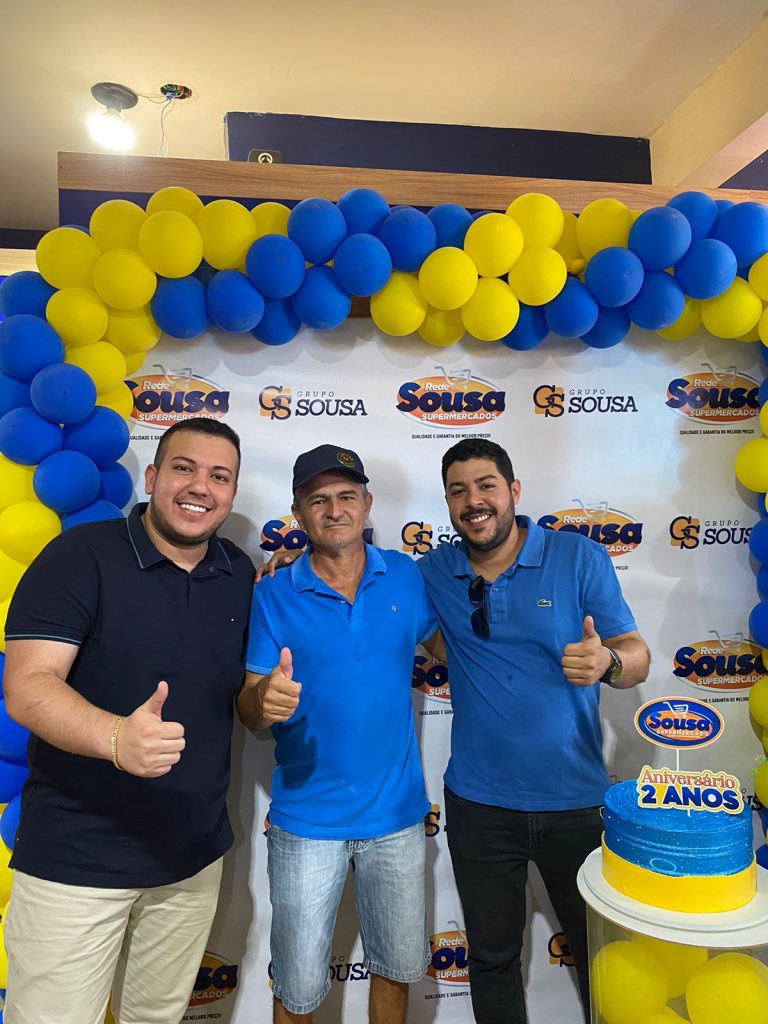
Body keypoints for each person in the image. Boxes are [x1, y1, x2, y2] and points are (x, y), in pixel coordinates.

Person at [2, 417, 254, 1024]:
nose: (200, 487)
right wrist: (116, 737)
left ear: (232, 492)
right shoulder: (79, 556)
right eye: (184, 468)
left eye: (219, 476)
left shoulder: (240, 572)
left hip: (191, 861)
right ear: (152, 477)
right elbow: (28, 686)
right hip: (77, 860)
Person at [418, 437, 650, 1024]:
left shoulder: (578, 557)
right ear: (448, 504)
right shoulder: (434, 571)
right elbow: (365, 584)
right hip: (478, 805)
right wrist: (289, 567)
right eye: (458, 491)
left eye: (486, 485)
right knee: (492, 960)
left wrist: (608, 662)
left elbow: (637, 655)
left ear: (514, 491)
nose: (474, 501)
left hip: (576, 803)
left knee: (604, 958)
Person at [238, 444, 437, 1024]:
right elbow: (249, 709)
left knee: (396, 971)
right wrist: (263, 701)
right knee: (297, 990)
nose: (335, 510)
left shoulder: (405, 575)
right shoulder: (272, 593)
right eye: (318, 500)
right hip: (306, 824)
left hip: (398, 820)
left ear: (367, 504)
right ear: (298, 513)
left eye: (347, 496)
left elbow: (453, 648)